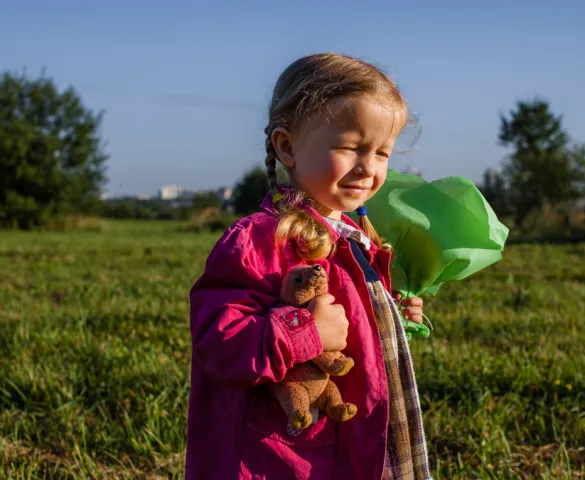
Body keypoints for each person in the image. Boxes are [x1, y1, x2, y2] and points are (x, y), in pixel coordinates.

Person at [185, 52, 432, 480]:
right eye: (351, 147)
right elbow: (220, 346)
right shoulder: (262, 239)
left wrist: (389, 311)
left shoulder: (354, 233)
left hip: (355, 433)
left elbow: (348, 314)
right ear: (287, 146)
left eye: (382, 153)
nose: (368, 168)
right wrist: (307, 333)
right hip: (287, 456)